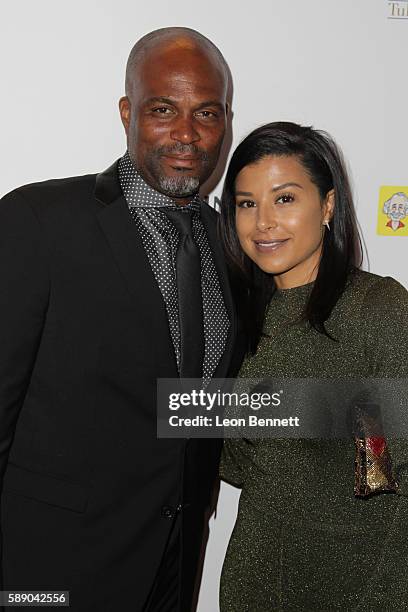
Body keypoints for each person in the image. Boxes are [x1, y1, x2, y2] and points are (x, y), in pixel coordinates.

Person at [0, 27, 240, 612]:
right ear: (127, 112)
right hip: (48, 570)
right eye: (163, 110)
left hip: (174, 566)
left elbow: (197, 406)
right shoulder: (39, 220)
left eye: (206, 114)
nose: (187, 134)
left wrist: (362, 405)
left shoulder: (232, 246)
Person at [218, 122, 408, 611]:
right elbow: (237, 462)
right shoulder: (238, 320)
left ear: (326, 206)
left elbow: (392, 464)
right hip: (253, 580)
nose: (262, 222)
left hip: (362, 587)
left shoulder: (378, 308)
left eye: (284, 199)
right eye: (245, 203)